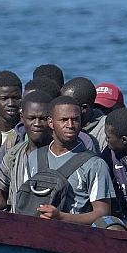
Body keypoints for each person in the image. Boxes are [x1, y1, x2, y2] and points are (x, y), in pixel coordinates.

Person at [13, 96, 115, 224]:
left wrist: (61, 217)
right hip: (35, 231)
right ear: (51, 123)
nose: (70, 125)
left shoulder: (95, 164)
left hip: (75, 236)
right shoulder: (34, 157)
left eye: (75, 120)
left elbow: (103, 213)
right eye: (64, 120)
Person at [0, 92, 54, 211]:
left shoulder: (59, 154)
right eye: (31, 118)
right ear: (22, 117)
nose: (37, 124)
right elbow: (0, 196)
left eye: (43, 119)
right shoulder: (13, 155)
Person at [60, 77, 107, 148]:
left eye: (67, 104)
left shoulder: (105, 132)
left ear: (84, 108)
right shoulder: (59, 123)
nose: (61, 108)